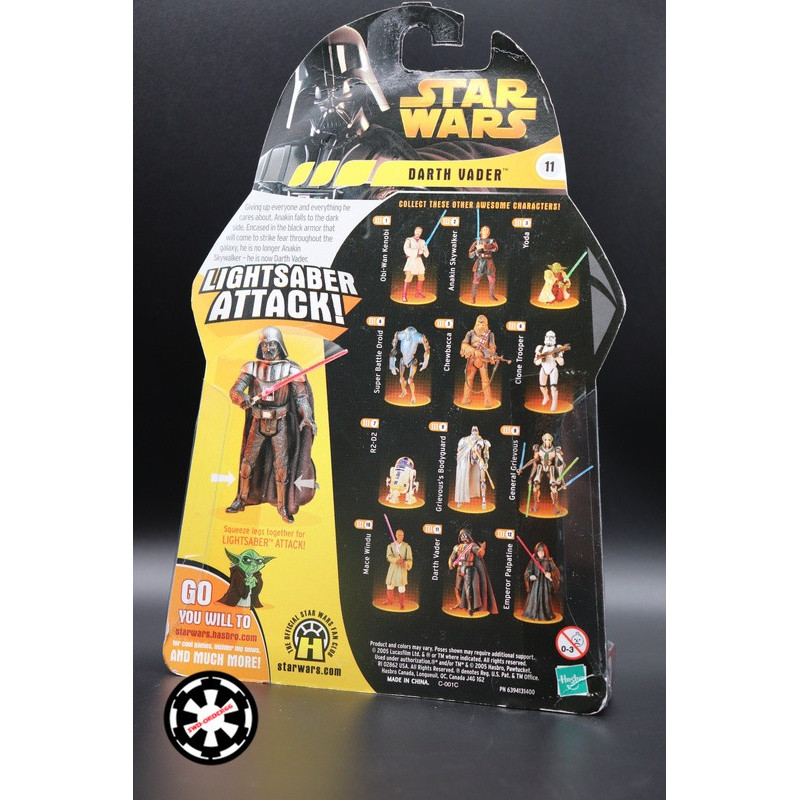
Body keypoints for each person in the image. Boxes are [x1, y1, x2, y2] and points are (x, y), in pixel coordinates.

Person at [225, 327, 317, 523]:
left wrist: (307, 416)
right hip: (258, 421)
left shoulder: (291, 370)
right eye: (264, 344)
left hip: (280, 422)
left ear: (280, 345)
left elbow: (301, 398)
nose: (268, 348)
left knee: (281, 466)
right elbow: (235, 390)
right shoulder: (252, 368)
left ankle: (283, 507)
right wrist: (242, 398)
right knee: (247, 463)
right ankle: (241, 499)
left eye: (272, 344)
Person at [447, 528, 498, 616]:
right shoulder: (457, 547)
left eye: (465, 535)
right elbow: (451, 557)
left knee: (468, 588)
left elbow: (480, 554)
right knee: (458, 588)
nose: (463, 537)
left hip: (468, 569)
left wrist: (482, 548)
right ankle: (460, 603)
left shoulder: (472, 546)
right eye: (461, 535)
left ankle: (470, 607)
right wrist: (450, 564)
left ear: (468, 536)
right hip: (459, 568)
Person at [459, 315, 505, 407]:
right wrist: (474, 351)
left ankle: (488, 400)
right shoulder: (470, 333)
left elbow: (492, 346)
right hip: (472, 358)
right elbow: (464, 344)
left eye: (483, 323)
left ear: (486, 324)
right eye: (479, 322)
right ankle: (466, 398)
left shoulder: (490, 335)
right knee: (468, 378)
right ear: (476, 323)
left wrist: (492, 354)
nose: (481, 324)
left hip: (483, 359)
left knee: (485, 380)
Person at [517, 433, 566, 515]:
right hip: (541, 467)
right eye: (545, 439)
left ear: (551, 440)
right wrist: (523, 469)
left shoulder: (555, 450)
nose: (547, 441)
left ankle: (556, 508)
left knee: (553, 486)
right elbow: (534, 461)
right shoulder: (538, 449)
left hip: (550, 468)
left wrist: (563, 481)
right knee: (535, 484)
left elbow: (558, 466)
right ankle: (535, 506)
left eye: (549, 440)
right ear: (543, 440)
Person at [389, 326, 430, 403]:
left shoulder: (419, 336)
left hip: (412, 360)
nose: (408, 337)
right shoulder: (400, 334)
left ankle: (413, 396)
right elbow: (393, 351)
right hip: (403, 360)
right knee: (401, 379)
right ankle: (404, 391)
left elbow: (427, 349)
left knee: (410, 380)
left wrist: (425, 362)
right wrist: (392, 365)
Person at [454, 426, 491, 508]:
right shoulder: (465, 440)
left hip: (478, 460)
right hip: (469, 459)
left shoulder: (483, 441)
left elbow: (486, 452)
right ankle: (461, 500)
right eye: (473, 429)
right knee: (463, 477)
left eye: (475, 429)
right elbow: (460, 451)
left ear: (478, 431)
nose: (474, 430)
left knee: (483, 479)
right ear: (471, 431)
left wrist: (486, 463)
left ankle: (483, 500)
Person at [534, 331, 570, 412]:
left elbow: (561, 363)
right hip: (543, 368)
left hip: (553, 368)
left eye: (551, 337)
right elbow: (536, 362)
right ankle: (546, 397)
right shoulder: (540, 348)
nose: (549, 338)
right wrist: (542, 358)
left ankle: (554, 402)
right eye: (548, 336)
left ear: (554, 338)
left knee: (553, 387)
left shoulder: (558, 348)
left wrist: (556, 356)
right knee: (542, 386)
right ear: (545, 337)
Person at [523, 542, 560, 621]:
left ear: (545, 552)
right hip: (535, 584)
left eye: (542, 551)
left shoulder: (549, 561)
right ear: (536, 552)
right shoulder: (533, 560)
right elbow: (527, 571)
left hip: (545, 585)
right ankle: (532, 613)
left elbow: (556, 571)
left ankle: (544, 614)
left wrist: (550, 574)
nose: (540, 553)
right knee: (534, 598)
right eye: (539, 552)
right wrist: (530, 576)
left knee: (545, 598)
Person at [468, 225, 499, 302]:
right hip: (480, 262)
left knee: (492, 279)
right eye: (483, 229)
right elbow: (470, 255)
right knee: (476, 280)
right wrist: (476, 251)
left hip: (489, 262)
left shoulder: (492, 241)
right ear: (480, 232)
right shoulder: (476, 242)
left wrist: (484, 246)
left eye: (487, 229)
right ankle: (473, 298)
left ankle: (491, 296)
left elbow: (495, 248)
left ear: (489, 232)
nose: (485, 230)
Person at [383, 529, 413, 609]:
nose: (401, 537)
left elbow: (410, 559)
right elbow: (389, 556)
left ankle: (402, 604)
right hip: (393, 568)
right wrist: (396, 560)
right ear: (396, 535)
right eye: (399, 535)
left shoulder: (407, 547)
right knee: (389, 585)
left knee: (401, 586)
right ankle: (389, 600)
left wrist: (404, 563)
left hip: (401, 569)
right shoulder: (391, 546)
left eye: (402, 535)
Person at [402, 227, 429, 301]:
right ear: (414, 231)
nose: (418, 233)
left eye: (420, 232)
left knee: (421, 277)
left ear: (421, 233)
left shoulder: (423, 241)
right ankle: (404, 295)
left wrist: (425, 249)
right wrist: (417, 251)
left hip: (419, 261)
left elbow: (426, 255)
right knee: (408, 278)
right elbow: (406, 250)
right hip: (411, 260)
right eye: (417, 231)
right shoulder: (409, 240)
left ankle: (418, 293)